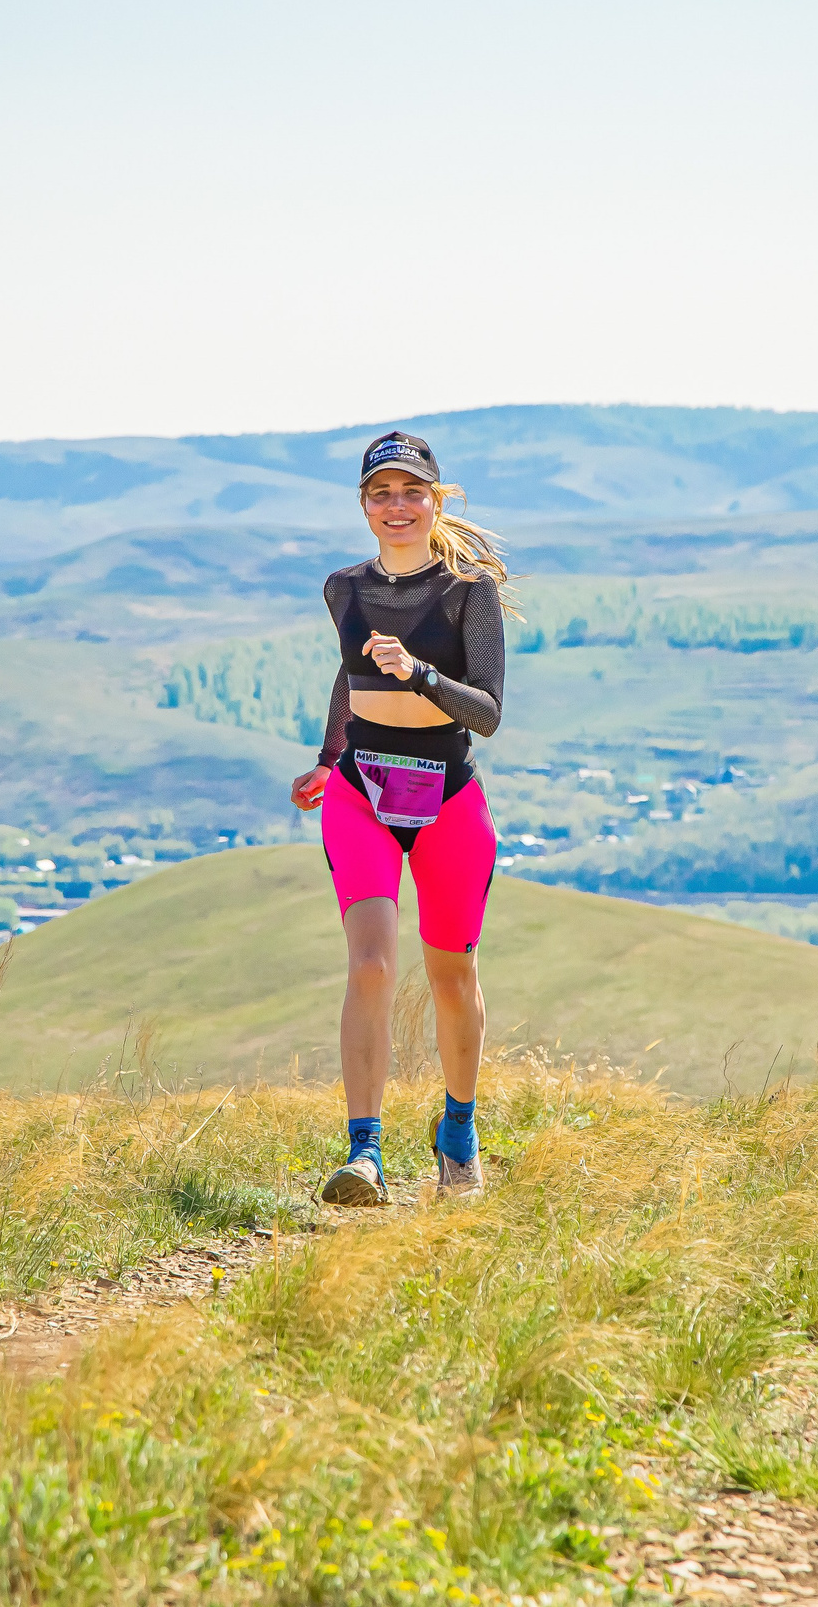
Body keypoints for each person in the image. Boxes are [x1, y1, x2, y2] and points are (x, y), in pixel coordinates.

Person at [290, 431, 512, 1205]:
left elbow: (487, 712)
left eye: (411, 492)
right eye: (381, 493)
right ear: (363, 505)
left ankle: (457, 1133)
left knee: (452, 976)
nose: (397, 506)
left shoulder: (467, 592)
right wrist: (328, 755)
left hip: (447, 795)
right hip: (363, 794)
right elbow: (349, 674)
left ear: (435, 500)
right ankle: (366, 1153)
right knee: (373, 964)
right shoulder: (343, 589)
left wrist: (418, 673)